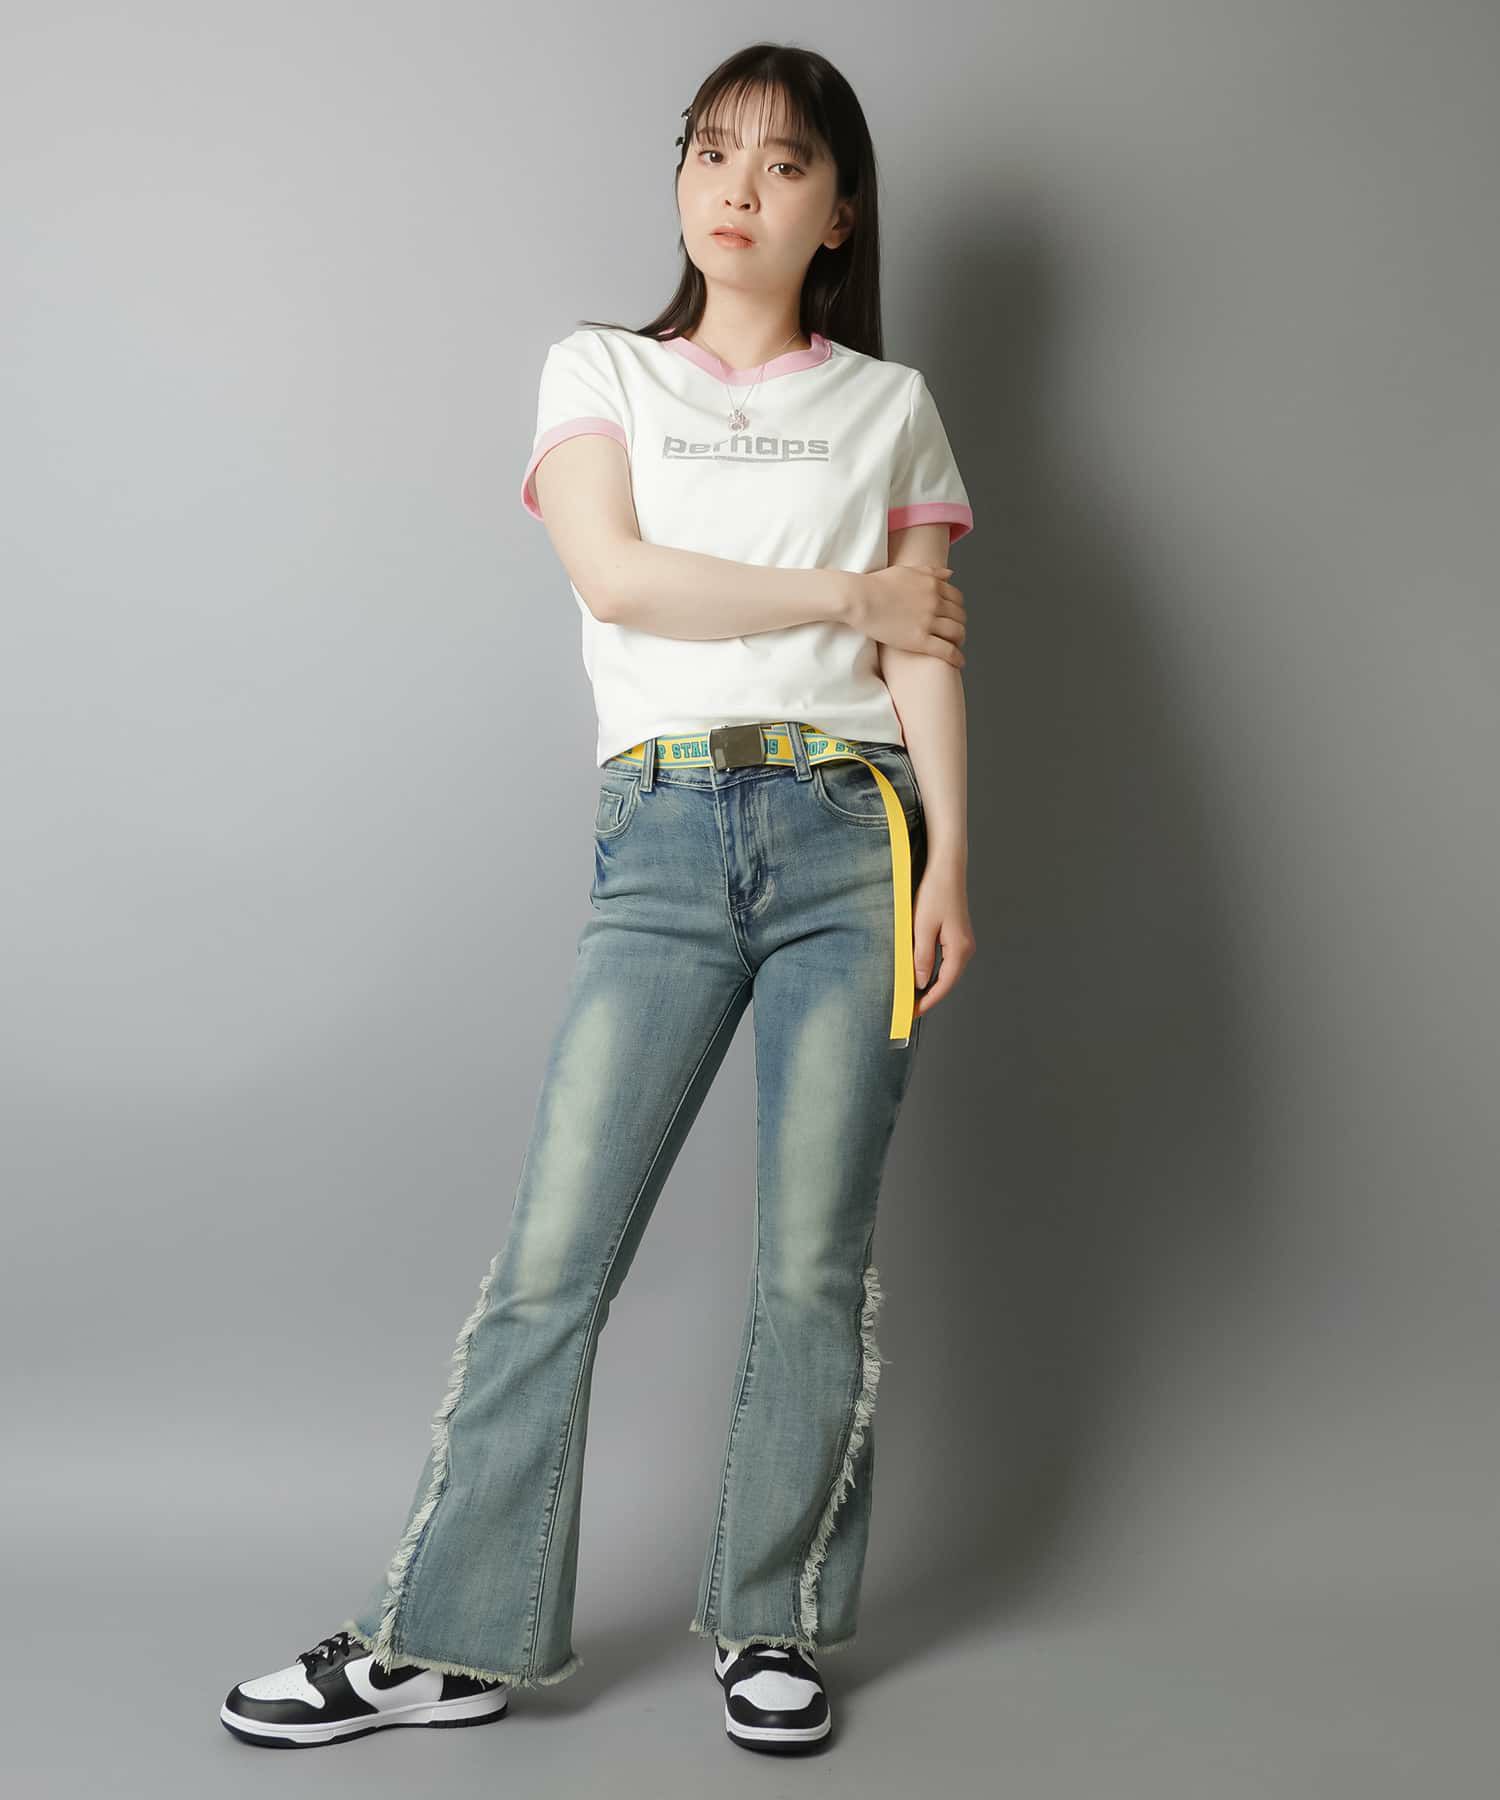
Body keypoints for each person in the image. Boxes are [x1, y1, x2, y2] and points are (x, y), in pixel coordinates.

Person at [221, 40, 977, 1757]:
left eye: (784, 163)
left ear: (841, 210)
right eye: (712, 151)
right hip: (665, 833)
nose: (737, 188)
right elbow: (616, 575)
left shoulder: (891, 406)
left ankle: (773, 1623)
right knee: (552, 1260)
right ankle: (445, 1642)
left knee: (814, 1263)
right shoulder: (602, 370)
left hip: (856, 834)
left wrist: (953, 864)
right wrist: (846, 591)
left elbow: (926, 648)